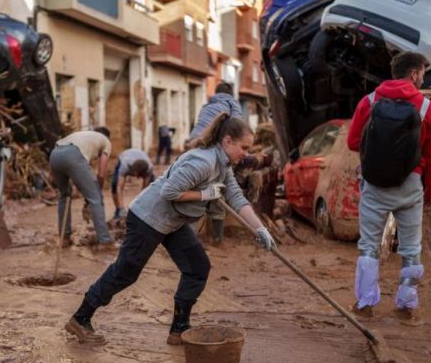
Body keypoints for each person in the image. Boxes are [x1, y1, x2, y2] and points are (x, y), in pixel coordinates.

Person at [64, 114, 276, 345]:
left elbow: (235, 197)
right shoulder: (203, 161)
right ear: (227, 141)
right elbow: (169, 191)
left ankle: (179, 328)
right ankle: (81, 318)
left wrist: (260, 229)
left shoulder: (222, 165)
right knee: (126, 272)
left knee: (197, 267)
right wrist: (205, 194)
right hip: (148, 218)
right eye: (244, 147)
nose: (246, 153)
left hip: (173, 222)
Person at [346, 52, 431, 324]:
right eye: (423, 72)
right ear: (413, 74)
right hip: (411, 184)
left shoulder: (369, 101)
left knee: (368, 246)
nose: (424, 77)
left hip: (374, 183)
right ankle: (407, 305)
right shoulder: (428, 108)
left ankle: (365, 303)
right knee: (411, 248)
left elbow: (353, 142)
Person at [187, 82, 243, 244]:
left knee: (195, 191)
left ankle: (187, 238)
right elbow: (238, 130)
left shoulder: (206, 106)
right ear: (231, 94)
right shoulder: (233, 104)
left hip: (194, 146)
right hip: (213, 150)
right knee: (219, 191)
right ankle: (217, 239)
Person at [50, 127, 117, 251]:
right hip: (73, 155)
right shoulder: (106, 141)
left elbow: (79, 173)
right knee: (96, 198)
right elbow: (101, 174)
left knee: (64, 196)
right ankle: (105, 241)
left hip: (55, 154)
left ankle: (64, 238)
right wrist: (97, 192)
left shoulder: (84, 136)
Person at [111, 148, 155, 219]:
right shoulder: (125, 165)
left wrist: (140, 208)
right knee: (115, 184)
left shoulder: (149, 168)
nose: (135, 177)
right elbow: (119, 188)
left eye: (137, 175)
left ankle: (148, 211)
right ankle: (118, 210)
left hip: (142, 162)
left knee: (152, 188)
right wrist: (121, 208)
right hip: (125, 156)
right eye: (134, 174)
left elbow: (145, 189)